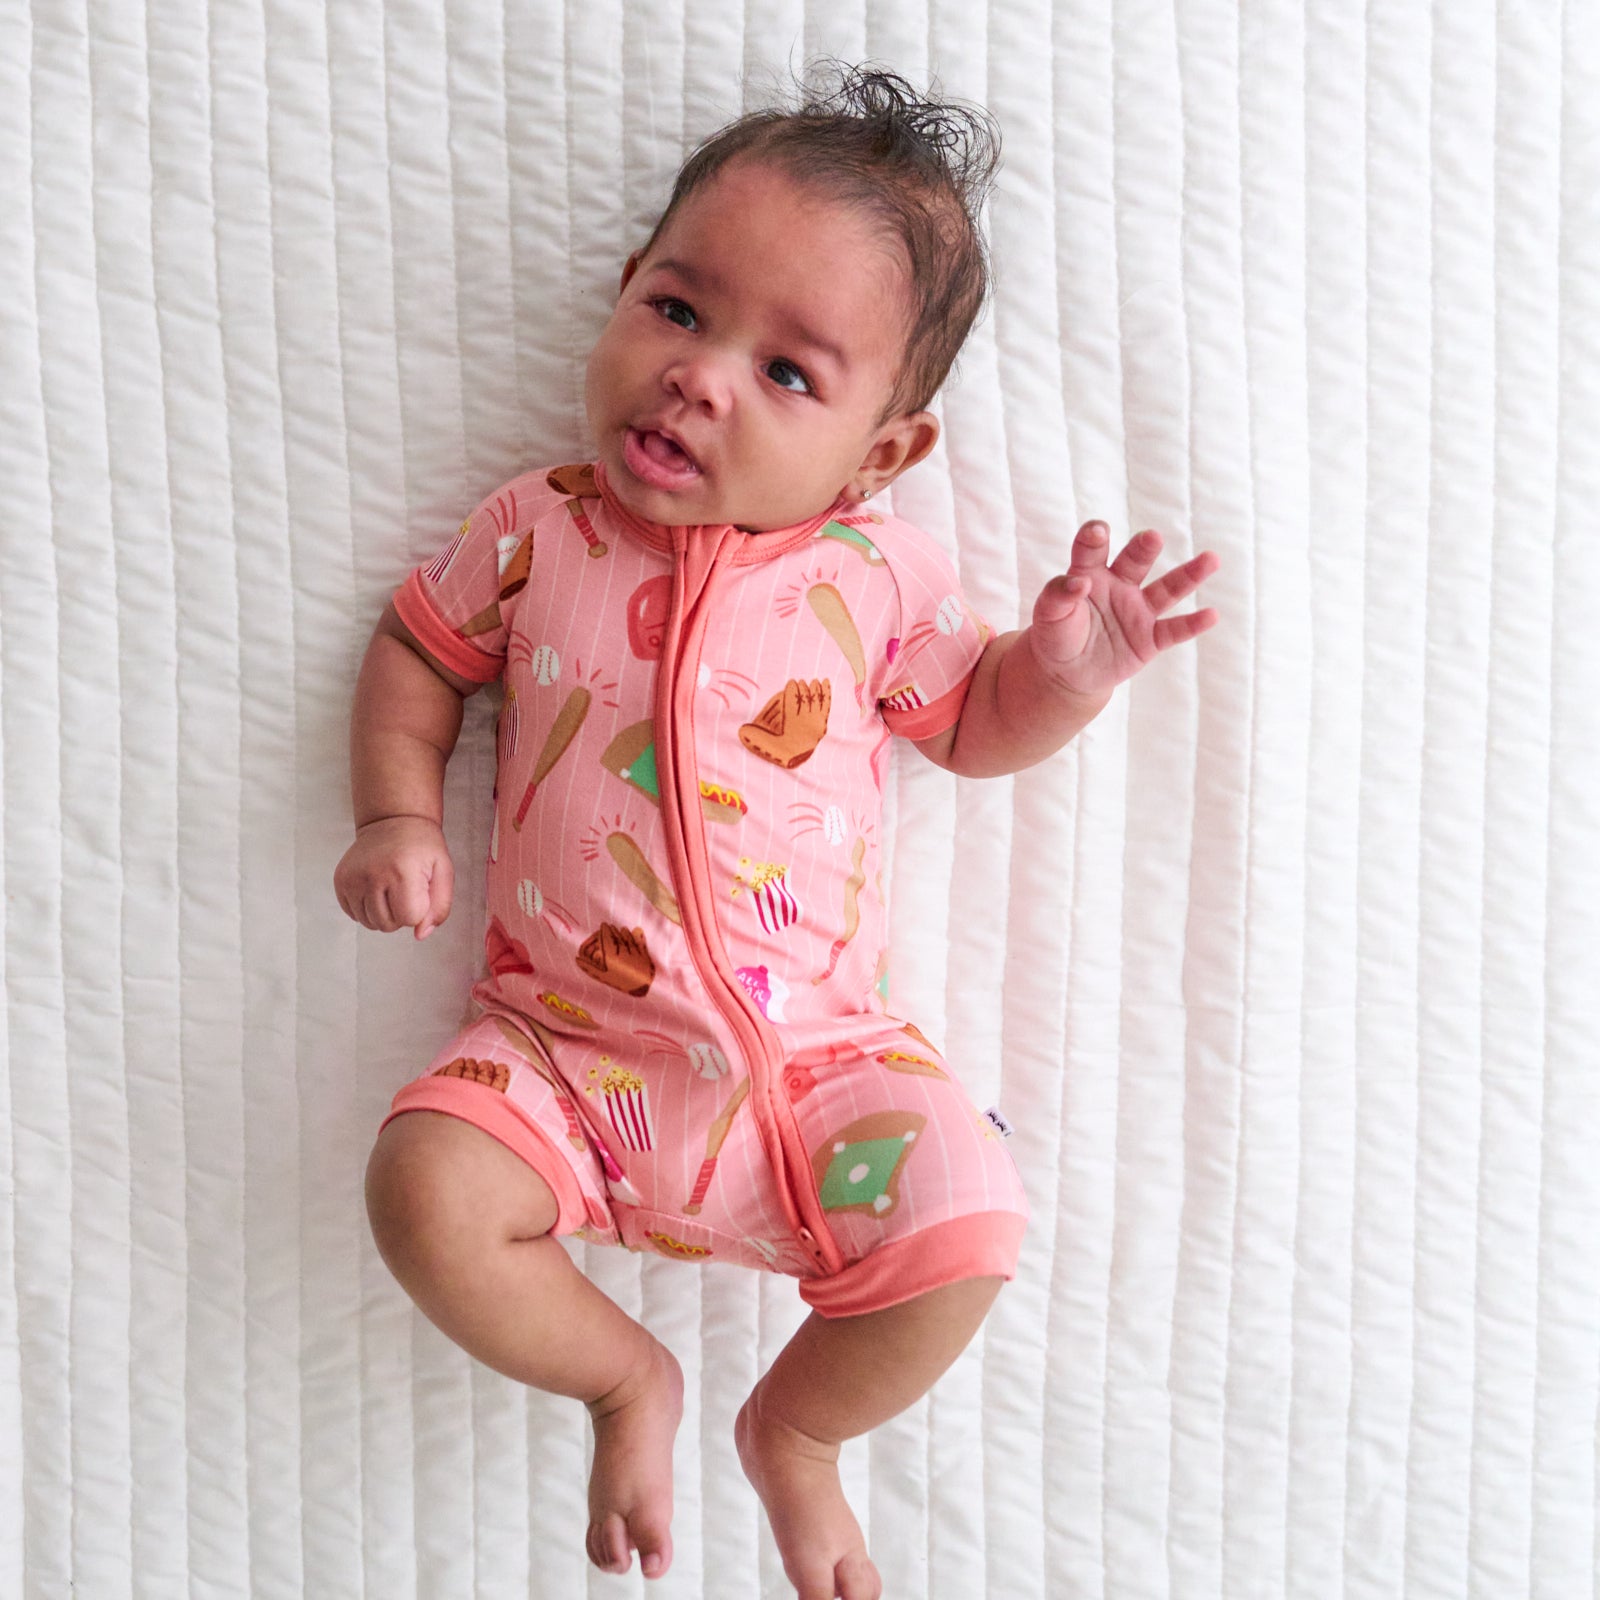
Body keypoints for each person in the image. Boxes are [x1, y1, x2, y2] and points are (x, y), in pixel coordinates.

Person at [334, 63, 1219, 1600]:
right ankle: (625, 1378)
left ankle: (797, 1435)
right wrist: (395, 815)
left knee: (971, 1223)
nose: (700, 378)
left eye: (789, 372)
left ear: (881, 455)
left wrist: (1065, 671)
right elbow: (418, 654)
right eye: (678, 310)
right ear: (624, 289)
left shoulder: (877, 575)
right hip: (557, 1047)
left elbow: (972, 723)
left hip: (816, 1066)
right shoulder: (536, 527)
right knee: (423, 1190)